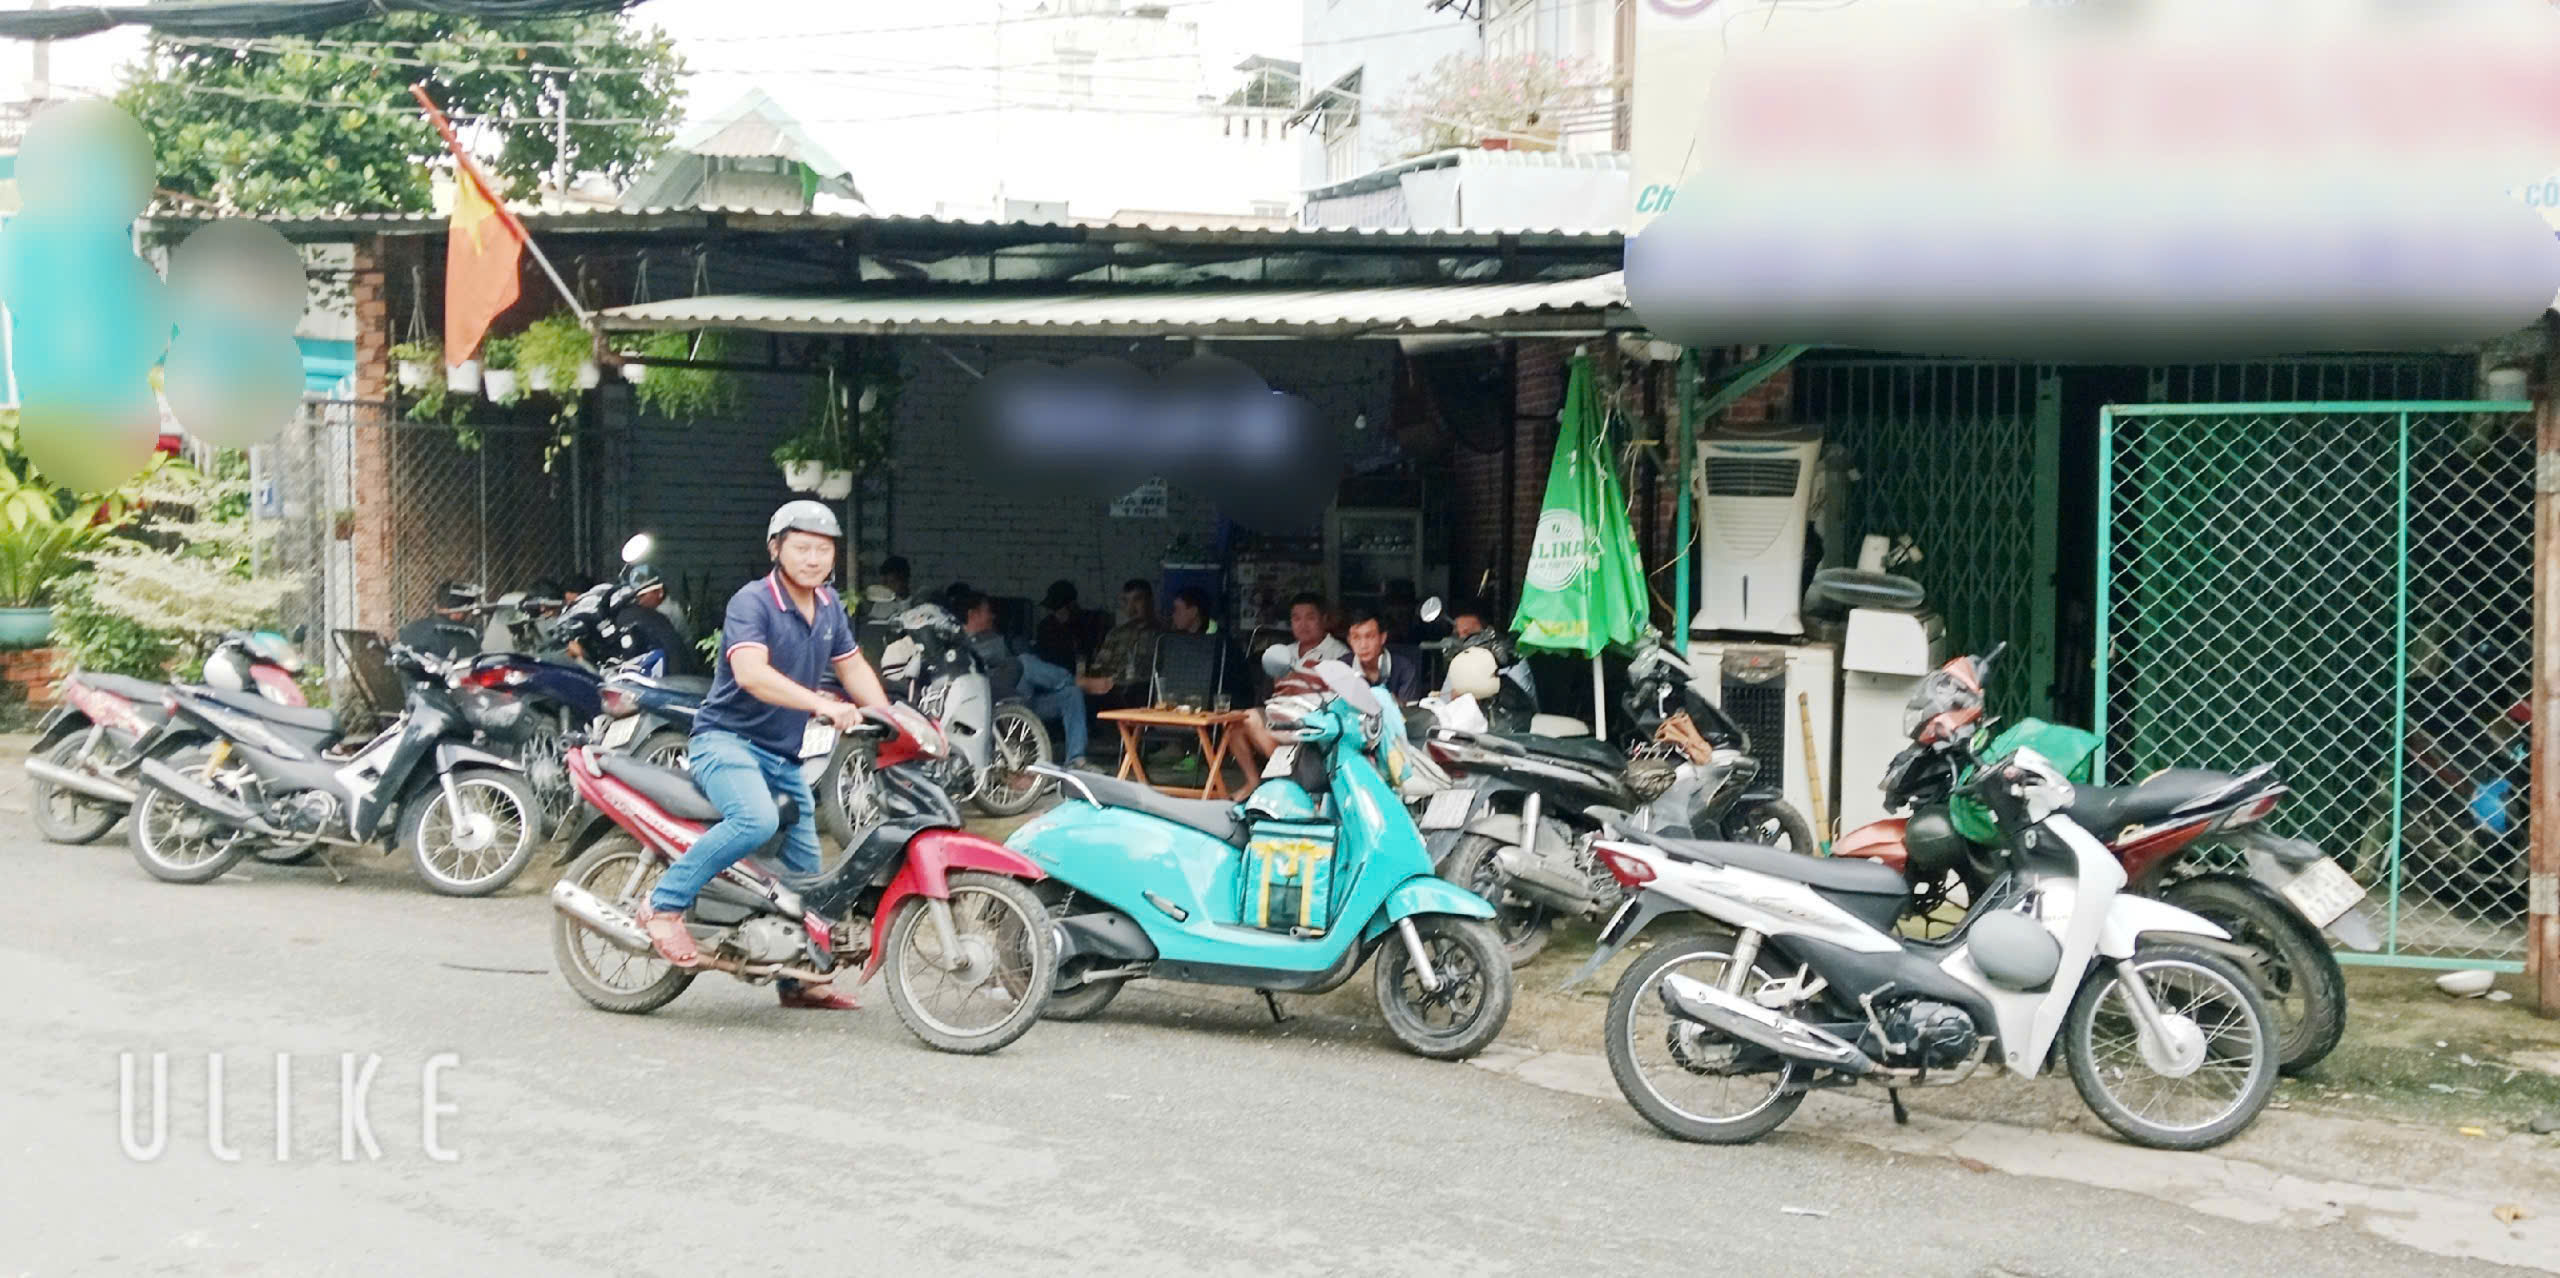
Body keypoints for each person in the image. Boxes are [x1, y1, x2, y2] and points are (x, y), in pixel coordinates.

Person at [636, 501, 892, 1010]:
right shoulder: (751, 602)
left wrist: (891, 715)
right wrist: (821, 703)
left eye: (823, 549)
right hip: (725, 742)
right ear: (776, 548)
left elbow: (853, 665)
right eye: (802, 547)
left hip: (783, 756)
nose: (814, 558)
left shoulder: (829, 605)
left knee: (808, 874)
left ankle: (795, 982)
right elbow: (752, 674)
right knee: (753, 821)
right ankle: (663, 906)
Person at [956, 588, 1095, 768]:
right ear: (973, 615)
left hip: (1019, 699)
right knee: (1025, 662)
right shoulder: (961, 643)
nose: (993, 616)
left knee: (1072, 695)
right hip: (993, 702)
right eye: (988, 611)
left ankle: (1076, 759)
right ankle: (1073, 679)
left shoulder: (993, 637)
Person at [1241, 593, 1351, 757]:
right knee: (1241, 720)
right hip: (1282, 712)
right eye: (1296, 618)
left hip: (1315, 718)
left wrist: (1303, 683)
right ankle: (1261, 776)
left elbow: (1341, 699)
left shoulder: (1339, 653)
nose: (1303, 624)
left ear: (1324, 619)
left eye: (1310, 618)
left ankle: (1289, 771)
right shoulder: (1286, 651)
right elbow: (1271, 691)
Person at [1078, 579, 1161, 700]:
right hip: (1110, 689)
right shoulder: (1116, 633)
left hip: (1140, 691)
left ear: (1150, 601)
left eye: (1137, 600)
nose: (1131, 607)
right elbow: (1099, 666)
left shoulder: (1160, 636)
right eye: (1126, 601)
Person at [613, 562, 696, 676]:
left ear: (660, 592)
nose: (638, 600)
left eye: (642, 595)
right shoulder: (652, 611)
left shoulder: (667, 611)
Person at [1345, 606, 1427, 704]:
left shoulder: (1404, 668)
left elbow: (1411, 713)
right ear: (1349, 641)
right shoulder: (1340, 667)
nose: (1363, 645)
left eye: (1370, 637)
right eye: (1356, 638)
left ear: (1383, 638)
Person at [399, 581, 484, 661]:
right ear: (460, 611)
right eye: (468, 611)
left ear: (436, 606)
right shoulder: (464, 636)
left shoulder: (410, 629)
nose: (470, 616)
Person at [1033, 580, 1087, 671]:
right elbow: (1040, 652)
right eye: (1052, 608)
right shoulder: (1046, 625)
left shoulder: (1085, 625)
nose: (1055, 612)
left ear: (1072, 605)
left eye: (1058, 608)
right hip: (1047, 671)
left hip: (1070, 675)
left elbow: (1082, 658)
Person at [860, 555, 912, 628]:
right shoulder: (882, 604)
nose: (888, 587)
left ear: (904, 581)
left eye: (892, 582)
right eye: (885, 583)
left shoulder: (916, 604)